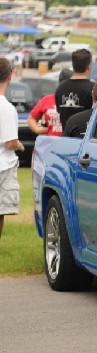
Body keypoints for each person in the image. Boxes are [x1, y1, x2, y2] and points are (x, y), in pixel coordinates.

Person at [0, 57, 24, 239]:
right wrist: (20, 145)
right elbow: (10, 142)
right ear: (10, 76)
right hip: (2, 167)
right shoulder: (7, 108)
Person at [55, 49, 94, 130]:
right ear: (89, 66)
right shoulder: (92, 89)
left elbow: (59, 112)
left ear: (73, 65)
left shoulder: (60, 88)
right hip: (84, 138)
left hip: (66, 138)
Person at [27, 68, 73, 137]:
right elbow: (31, 119)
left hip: (70, 143)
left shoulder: (77, 101)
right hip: (49, 143)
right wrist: (37, 129)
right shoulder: (47, 100)